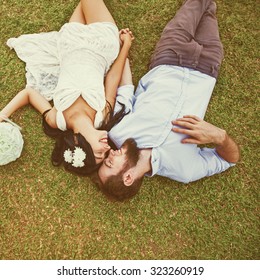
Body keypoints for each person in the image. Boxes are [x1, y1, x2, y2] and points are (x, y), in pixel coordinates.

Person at [97, 0, 240, 201]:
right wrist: (221, 137)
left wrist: (124, 49)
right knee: (209, 8)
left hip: (170, 53)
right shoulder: (184, 170)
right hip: (208, 65)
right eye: (110, 163)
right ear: (128, 177)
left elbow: (126, 89)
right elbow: (230, 160)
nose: (109, 155)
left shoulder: (119, 133)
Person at [0, 0, 134, 174]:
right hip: (102, 45)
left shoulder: (56, 120)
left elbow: (29, 93)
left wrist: (2, 115)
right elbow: (112, 80)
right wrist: (126, 46)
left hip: (70, 43)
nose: (107, 148)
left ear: (79, 145)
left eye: (100, 153)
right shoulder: (103, 117)